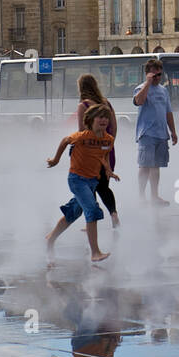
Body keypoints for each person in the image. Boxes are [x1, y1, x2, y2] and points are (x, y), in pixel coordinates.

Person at [45, 103, 116, 264]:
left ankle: (51, 238)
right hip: (76, 180)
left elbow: (103, 156)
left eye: (106, 117)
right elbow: (65, 140)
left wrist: (108, 171)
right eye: (100, 117)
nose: (104, 120)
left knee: (73, 213)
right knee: (92, 210)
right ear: (91, 120)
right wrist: (56, 160)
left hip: (92, 181)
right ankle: (95, 252)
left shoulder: (108, 139)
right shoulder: (82, 136)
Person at [76, 73, 119, 228]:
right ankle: (114, 215)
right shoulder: (106, 103)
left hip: (90, 151)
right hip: (107, 149)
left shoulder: (84, 106)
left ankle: (91, 222)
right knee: (103, 186)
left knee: (89, 187)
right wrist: (108, 145)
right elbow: (114, 127)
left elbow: (81, 131)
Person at [132, 58, 177, 205]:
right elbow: (138, 101)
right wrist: (148, 83)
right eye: (155, 75)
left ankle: (154, 196)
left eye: (159, 75)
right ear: (148, 74)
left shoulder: (163, 91)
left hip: (161, 133)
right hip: (146, 133)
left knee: (156, 166)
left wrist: (173, 131)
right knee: (145, 165)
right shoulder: (140, 88)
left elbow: (168, 112)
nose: (158, 78)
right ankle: (140, 196)